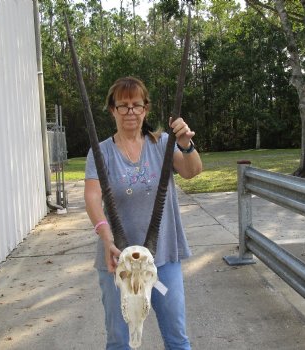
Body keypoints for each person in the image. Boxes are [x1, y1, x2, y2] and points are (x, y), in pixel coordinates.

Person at [84, 76, 202, 350]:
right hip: (118, 262)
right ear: (112, 109)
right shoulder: (101, 152)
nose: (130, 112)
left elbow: (192, 171)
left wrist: (185, 143)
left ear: (146, 109)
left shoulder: (162, 143)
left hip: (163, 257)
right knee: (118, 341)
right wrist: (105, 236)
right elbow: (92, 196)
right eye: (123, 106)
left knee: (177, 337)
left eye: (136, 105)